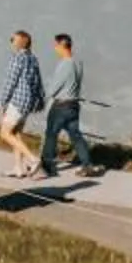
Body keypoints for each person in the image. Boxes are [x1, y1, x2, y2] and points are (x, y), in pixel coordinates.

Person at [38, 33, 98, 179]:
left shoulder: (65, 64)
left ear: (61, 45)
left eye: (56, 45)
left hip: (61, 106)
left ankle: (46, 165)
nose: (54, 48)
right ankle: (87, 165)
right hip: (74, 105)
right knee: (76, 136)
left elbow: (54, 88)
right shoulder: (78, 63)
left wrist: (41, 100)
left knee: (51, 134)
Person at [0, 31, 45, 179]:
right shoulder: (33, 59)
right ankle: (18, 168)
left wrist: (3, 102)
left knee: (4, 133)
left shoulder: (18, 58)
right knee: (16, 134)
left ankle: (33, 159)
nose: (11, 42)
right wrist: (39, 101)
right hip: (27, 103)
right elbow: (39, 83)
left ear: (21, 42)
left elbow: (11, 82)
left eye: (13, 39)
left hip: (16, 102)